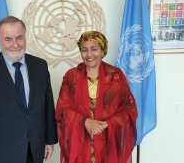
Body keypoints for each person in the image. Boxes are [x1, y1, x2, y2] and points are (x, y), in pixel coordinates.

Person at [0, 16, 57, 163]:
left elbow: (48, 105)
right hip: (1, 153)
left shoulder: (40, 65)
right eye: (8, 39)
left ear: (25, 37)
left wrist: (49, 140)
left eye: (19, 38)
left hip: (35, 149)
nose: (15, 44)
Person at [55, 31, 138, 163]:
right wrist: (85, 121)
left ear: (102, 50)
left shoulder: (116, 76)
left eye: (94, 49)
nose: (89, 54)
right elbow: (61, 109)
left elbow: (129, 110)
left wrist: (107, 124)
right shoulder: (71, 76)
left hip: (108, 144)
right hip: (81, 146)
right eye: (84, 50)